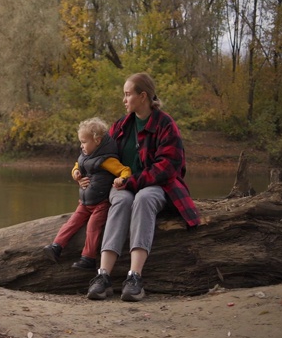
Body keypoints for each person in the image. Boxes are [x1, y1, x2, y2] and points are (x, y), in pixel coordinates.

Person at [83, 72, 200, 301]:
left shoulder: (165, 124)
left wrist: (132, 182)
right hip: (125, 187)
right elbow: (97, 155)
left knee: (143, 198)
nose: (124, 99)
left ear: (143, 96)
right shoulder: (120, 127)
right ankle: (103, 276)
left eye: (128, 94)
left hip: (159, 186)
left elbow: (167, 167)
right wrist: (82, 173)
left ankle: (134, 277)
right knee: (122, 199)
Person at [43, 117, 132, 270]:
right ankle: (56, 246)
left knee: (92, 227)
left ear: (97, 141)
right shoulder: (86, 155)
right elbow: (77, 165)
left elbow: (125, 170)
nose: (81, 145)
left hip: (100, 204)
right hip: (84, 202)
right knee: (72, 222)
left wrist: (121, 180)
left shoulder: (107, 159)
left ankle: (88, 257)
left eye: (84, 142)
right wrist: (76, 173)